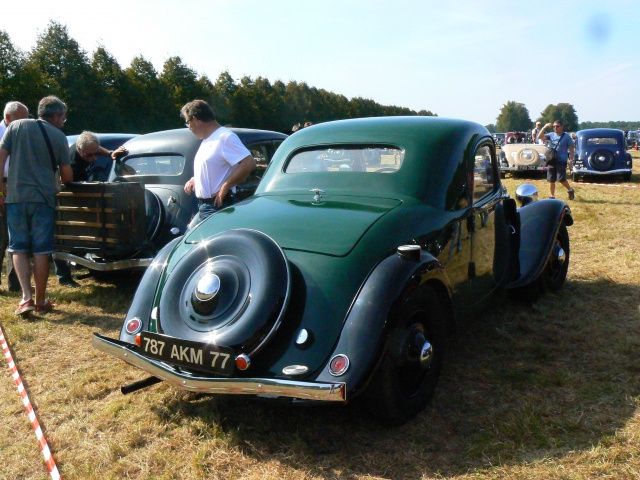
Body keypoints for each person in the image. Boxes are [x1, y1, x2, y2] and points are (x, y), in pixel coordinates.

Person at [0, 96, 73, 315]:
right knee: (42, 250)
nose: (64, 122)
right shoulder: (59, 136)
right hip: (43, 199)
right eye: (64, 118)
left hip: (15, 197)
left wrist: (2, 191)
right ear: (57, 115)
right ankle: (41, 299)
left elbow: (0, 158)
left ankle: (26, 299)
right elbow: (67, 176)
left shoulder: (16, 126)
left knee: (18, 247)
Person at [180, 100, 255, 226]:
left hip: (219, 206)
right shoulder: (207, 139)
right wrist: (195, 180)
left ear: (196, 119)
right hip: (206, 206)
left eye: (188, 123)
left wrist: (225, 186)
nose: (189, 128)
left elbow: (249, 162)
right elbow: (213, 167)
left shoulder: (225, 137)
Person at [0, 101, 29, 292]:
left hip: (17, 186)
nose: (25, 123)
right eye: (21, 119)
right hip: (2, 183)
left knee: (16, 237)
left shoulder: (22, 132)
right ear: (8, 118)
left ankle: (16, 283)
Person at [538, 120, 575, 200]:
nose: (555, 128)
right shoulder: (551, 135)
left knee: (561, 178)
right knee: (551, 179)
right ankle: (552, 196)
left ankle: (570, 189)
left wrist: (571, 160)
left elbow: (571, 148)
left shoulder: (566, 137)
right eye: (554, 126)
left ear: (562, 127)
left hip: (561, 161)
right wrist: (544, 127)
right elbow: (539, 137)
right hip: (552, 160)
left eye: (557, 126)